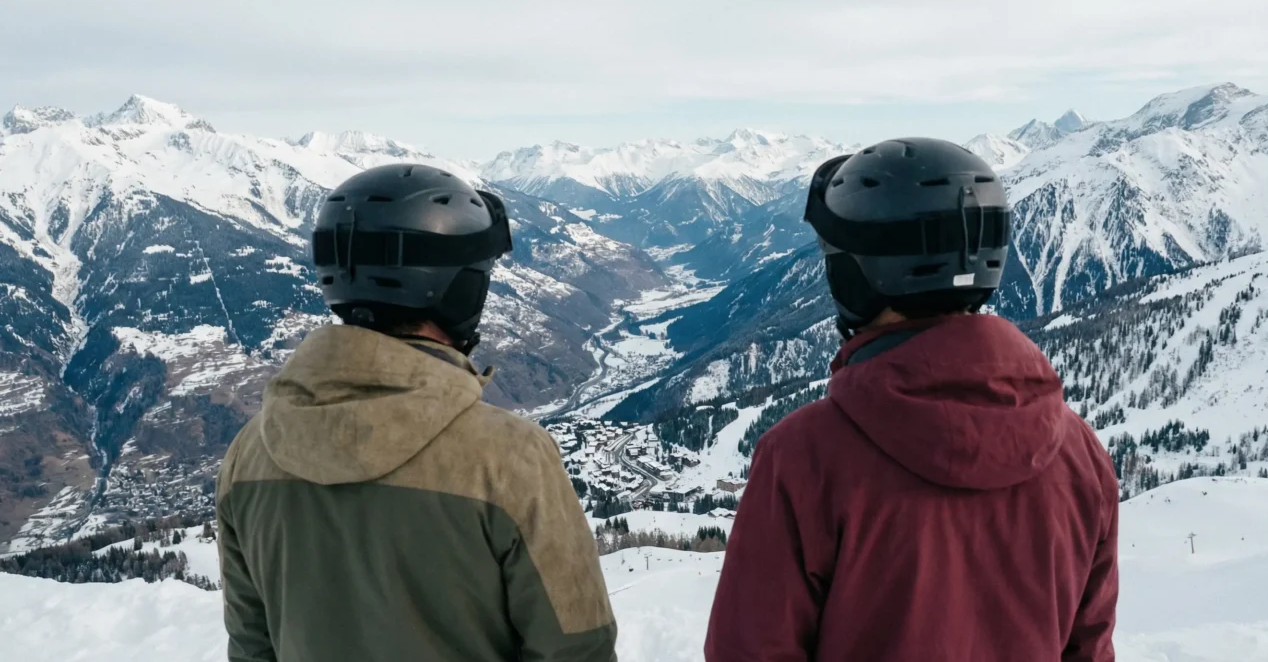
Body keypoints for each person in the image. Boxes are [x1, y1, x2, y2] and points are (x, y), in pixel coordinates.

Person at [705, 139, 1119, 661]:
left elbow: (749, 652)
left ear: (857, 276)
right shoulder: (1080, 453)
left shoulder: (804, 458)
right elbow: (1089, 649)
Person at [216, 164, 617, 662]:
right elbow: (577, 650)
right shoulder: (510, 459)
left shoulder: (251, 453)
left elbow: (252, 648)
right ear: (460, 289)